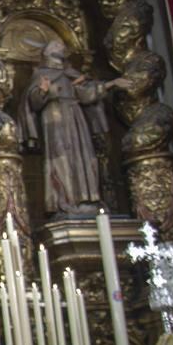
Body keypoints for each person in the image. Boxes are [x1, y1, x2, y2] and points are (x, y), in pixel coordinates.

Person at [16, 38, 127, 217]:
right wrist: (44, 90)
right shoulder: (41, 75)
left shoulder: (70, 75)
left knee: (82, 155)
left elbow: (86, 94)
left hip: (76, 119)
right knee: (61, 158)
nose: (62, 47)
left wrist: (111, 84)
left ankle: (86, 198)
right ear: (48, 52)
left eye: (62, 45)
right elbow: (34, 103)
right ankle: (64, 201)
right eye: (57, 45)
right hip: (54, 120)